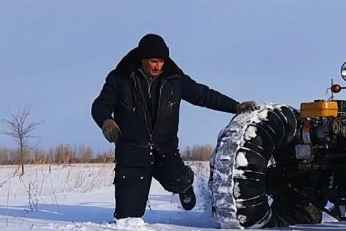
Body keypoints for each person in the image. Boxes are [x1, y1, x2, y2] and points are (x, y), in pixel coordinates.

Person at [91, 33, 258, 220]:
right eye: (154, 61)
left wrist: (234, 106)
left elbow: (203, 95)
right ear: (142, 58)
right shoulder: (119, 78)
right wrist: (106, 120)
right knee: (127, 218)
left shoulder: (174, 79)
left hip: (165, 149)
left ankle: (186, 185)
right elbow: (101, 104)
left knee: (177, 181)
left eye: (162, 61)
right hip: (132, 154)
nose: (158, 66)